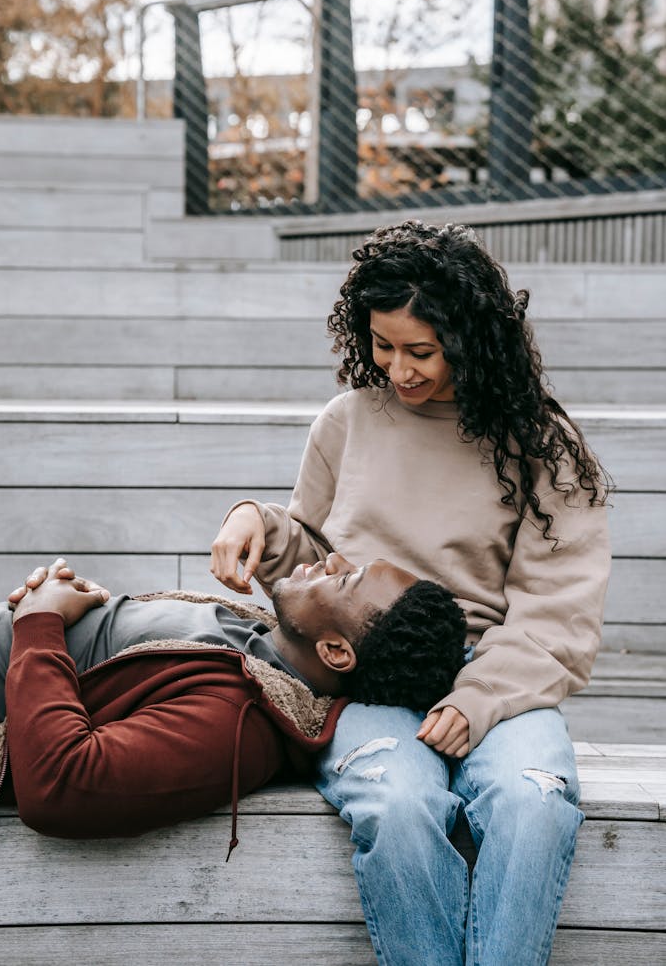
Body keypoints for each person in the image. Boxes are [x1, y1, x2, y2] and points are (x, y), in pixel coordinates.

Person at [211, 220, 612, 966]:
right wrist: (255, 522)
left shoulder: (541, 445)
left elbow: (558, 614)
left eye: (420, 350)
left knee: (533, 800)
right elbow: (314, 555)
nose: (398, 368)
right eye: (382, 344)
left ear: (471, 337)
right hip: (369, 677)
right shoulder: (348, 421)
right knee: (395, 803)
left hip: (499, 678)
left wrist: (477, 698)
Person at [0, 547, 466, 861]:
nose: (331, 556)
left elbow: (62, 783)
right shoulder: (260, 643)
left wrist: (41, 623)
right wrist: (75, 612)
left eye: (346, 577)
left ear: (335, 652)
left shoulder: (236, 722)